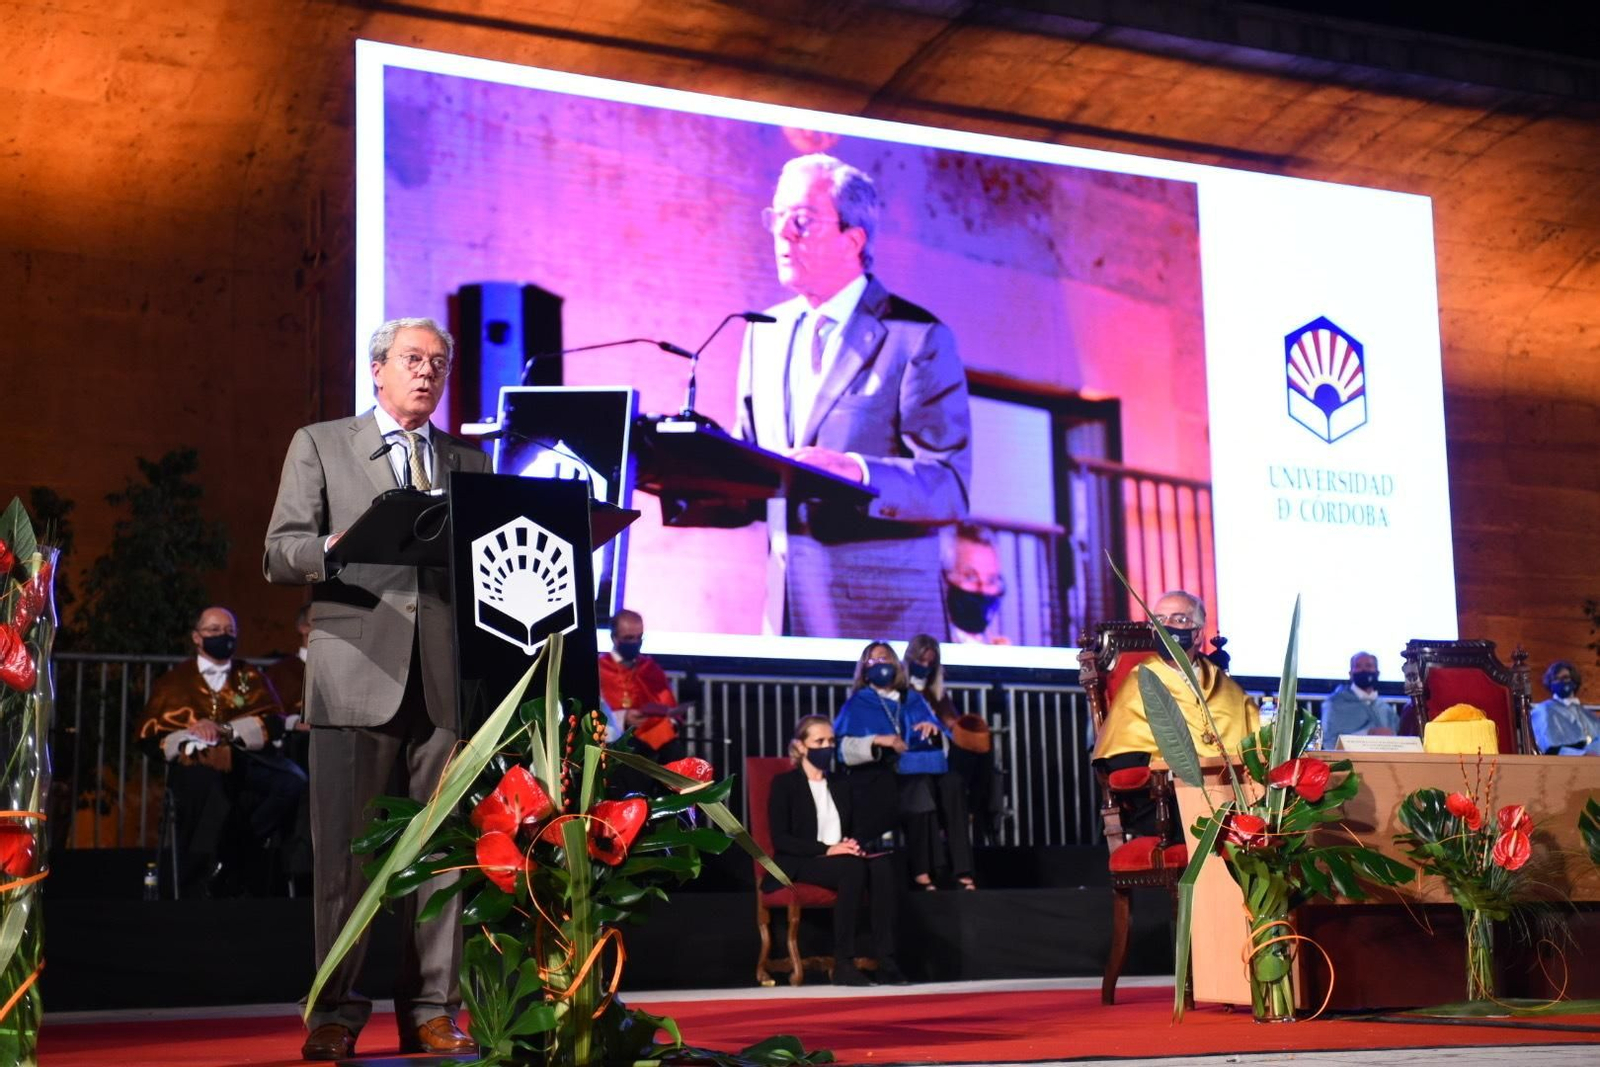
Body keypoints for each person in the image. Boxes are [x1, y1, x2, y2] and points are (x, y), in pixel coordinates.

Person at [264, 317, 491, 1060]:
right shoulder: (321, 443)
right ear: (377, 369)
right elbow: (280, 550)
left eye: (439, 362)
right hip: (355, 674)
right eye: (412, 359)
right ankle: (334, 1008)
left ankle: (433, 1007)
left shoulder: (468, 458)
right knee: (347, 861)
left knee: (443, 854)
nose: (426, 372)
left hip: (445, 683)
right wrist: (334, 546)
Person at [735, 152, 972, 640]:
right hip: (788, 608)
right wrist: (676, 463)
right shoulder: (764, 332)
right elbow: (749, 463)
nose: (782, 234)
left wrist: (857, 472)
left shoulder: (916, 336)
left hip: (884, 616)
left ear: (853, 238)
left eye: (800, 220)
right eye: (776, 218)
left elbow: (949, 484)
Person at [135, 606, 305, 897]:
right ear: (197, 637)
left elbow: (273, 721)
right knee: (207, 786)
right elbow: (152, 736)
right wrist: (192, 735)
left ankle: (237, 848)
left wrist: (226, 730)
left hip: (246, 758)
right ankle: (201, 875)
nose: (223, 636)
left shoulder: (249, 675)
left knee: (293, 782)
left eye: (229, 631)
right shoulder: (173, 681)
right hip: (195, 763)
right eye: (214, 630)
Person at [1090, 591, 1259, 834]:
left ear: (1198, 633)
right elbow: (1122, 757)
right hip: (1168, 801)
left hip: (1232, 795)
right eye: (1159, 620)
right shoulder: (1142, 680)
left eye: (1178, 620)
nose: (1166, 627)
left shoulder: (1222, 682)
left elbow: (1258, 742)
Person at [766, 715, 907, 985]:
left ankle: (886, 960)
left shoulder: (841, 783)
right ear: (800, 746)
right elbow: (781, 839)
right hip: (801, 859)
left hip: (839, 857)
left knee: (881, 866)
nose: (827, 747)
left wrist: (853, 844)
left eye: (831, 741)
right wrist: (828, 849)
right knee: (852, 867)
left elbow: (854, 827)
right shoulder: (785, 784)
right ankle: (844, 962)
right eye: (819, 741)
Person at [834, 641, 949, 890]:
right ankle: (860, 849)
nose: (880, 665)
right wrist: (876, 740)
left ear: (895, 664)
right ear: (864, 670)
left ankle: (922, 870)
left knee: (921, 790)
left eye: (884, 659)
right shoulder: (858, 702)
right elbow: (841, 747)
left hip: (909, 769)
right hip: (870, 771)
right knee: (890, 787)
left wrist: (932, 731)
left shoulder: (913, 699)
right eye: (872, 661)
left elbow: (941, 735)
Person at [905, 634, 989, 864]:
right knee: (961, 769)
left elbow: (951, 725)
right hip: (917, 759)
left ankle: (974, 811)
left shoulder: (938, 696)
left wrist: (955, 729)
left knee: (979, 753)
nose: (925, 668)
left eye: (930, 663)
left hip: (943, 758)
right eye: (921, 662)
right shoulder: (902, 694)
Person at [943, 523, 1010, 645]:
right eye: (971, 577)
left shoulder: (996, 647)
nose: (983, 589)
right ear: (946, 578)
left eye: (991, 580)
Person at [1320, 651, 1397, 748]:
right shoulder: (1334, 704)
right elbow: (1329, 741)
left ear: (1377, 672)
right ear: (1350, 673)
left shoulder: (1386, 709)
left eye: (1368, 666)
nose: (1363, 670)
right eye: (1358, 666)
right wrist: (1368, 734)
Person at [1529, 660, 1600, 755]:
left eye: (1565, 678)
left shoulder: (1589, 714)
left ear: (1574, 680)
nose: (1561, 682)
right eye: (1556, 679)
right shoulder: (1544, 710)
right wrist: (1582, 754)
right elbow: (1547, 747)